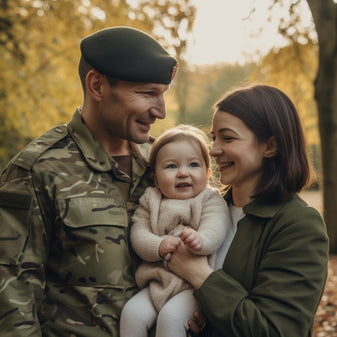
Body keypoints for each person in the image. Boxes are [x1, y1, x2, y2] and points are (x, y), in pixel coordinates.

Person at [0, 26, 178, 336]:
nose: (160, 111)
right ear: (97, 85)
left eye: (162, 95)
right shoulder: (37, 170)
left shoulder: (164, 164)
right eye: (147, 93)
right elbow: (12, 293)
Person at [168, 84, 329, 337]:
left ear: (270, 146)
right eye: (214, 138)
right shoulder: (204, 208)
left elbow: (277, 330)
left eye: (228, 138)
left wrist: (200, 276)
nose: (213, 150)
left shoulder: (298, 225)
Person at [119, 125, 234, 337]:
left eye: (193, 164)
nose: (183, 173)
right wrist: (158, 245)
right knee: (131, 315)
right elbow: (139, 233)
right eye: (171, 166)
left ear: (207, 174)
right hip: (158, 282)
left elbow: (217, 227)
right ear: (155, 178)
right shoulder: (151, 200)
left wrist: (200, 240)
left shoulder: (209, 199)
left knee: (171, 318)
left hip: (193, 288)